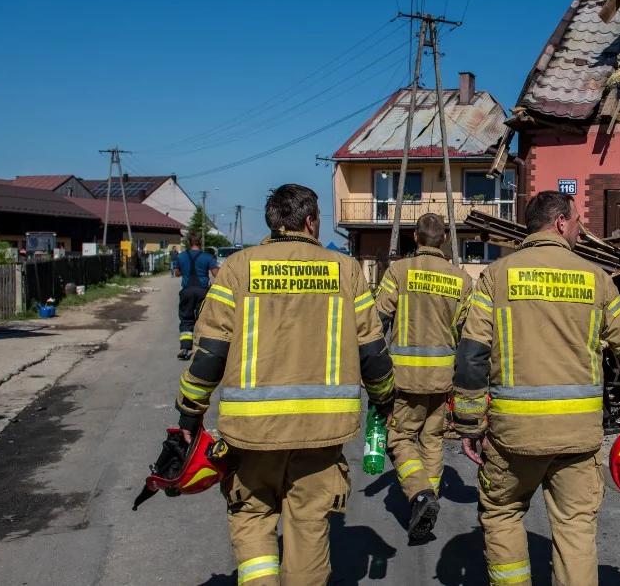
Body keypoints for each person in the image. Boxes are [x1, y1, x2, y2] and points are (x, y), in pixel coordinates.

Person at [169, 183, 395, 585]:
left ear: (273, 222)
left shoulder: (239, 268)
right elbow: (373, 353)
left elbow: (210, 355)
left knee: (253, 519)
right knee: (309, 526)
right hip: (322, 435)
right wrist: (384, 399)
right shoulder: (345, 271)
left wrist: (189, 417)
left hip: (251, 435)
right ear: (310, 222)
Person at [453, 191, 620, 586]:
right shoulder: (597, 280)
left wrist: (469, 422)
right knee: (575, 530)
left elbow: (471, 355)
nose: (581, 230)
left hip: (513, 436)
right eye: (578, 221)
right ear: (561, 222)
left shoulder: (496, 277)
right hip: (578, 438)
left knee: (502, 515)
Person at [374, 213, 472, 542]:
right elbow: (466, 331)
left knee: (399, 438)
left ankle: (420, 495)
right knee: (432, 441)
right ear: (443, 239)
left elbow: (379, 320)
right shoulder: (460, 279)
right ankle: (430, 501)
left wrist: (370, 370)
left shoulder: (398, 272)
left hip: (405, 378)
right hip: (443, 378)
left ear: (415, 238)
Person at [173, 237, 219, 360]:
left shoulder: (181, 256)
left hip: (187, 291)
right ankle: (203, 349)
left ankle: (185, 348)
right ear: (200, 244)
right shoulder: (208, 257)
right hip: (203, 292)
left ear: (189, 244)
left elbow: (177, 273)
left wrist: (185, 270)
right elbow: (217, 275)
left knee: (186, 319)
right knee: (203, 319)